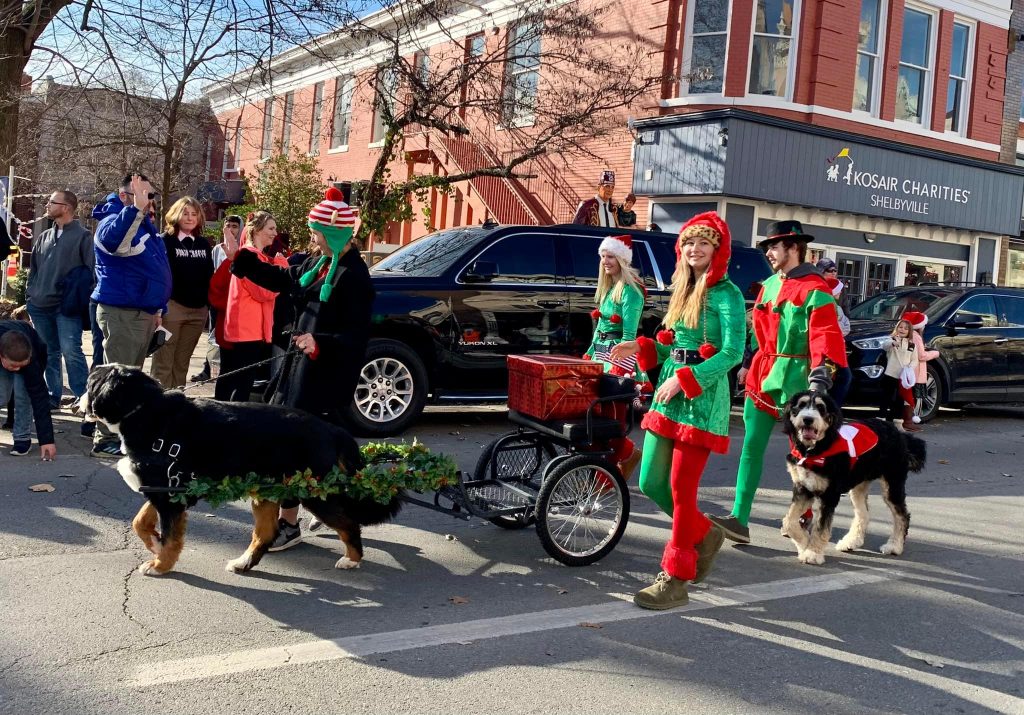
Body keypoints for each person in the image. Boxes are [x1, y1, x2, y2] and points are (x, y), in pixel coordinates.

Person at [611, 212, 745, 610]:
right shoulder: (682, 288)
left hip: (701, 399)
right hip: (669, 390)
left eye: (703, 243)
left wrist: (687, 379)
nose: (694, 249)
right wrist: (643, 348)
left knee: (682, 492)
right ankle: (704, 534)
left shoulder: (728, 294)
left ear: (717, 250)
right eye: (689, 242)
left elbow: (733, 352)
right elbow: (674, 344)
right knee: (652, 483)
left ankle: (675, 579)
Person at [230, 187, 373, 551]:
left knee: (299, 447)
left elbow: (356, 335)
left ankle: (289, 524)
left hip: (326, 372)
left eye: (316, 231)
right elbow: (287, 281)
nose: (311, 236)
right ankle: (337, 506)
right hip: (299, 366)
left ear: (334, 233)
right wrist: (250, 266)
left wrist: (319, 340)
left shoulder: (353, 275)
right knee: (298, 441)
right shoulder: (317, 262)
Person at [708, 220, 847, 544]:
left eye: (773, 247)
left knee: (805, 456)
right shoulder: (769, 285)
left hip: (798, 382)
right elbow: (757, 332)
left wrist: (819, 379)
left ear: (793, 247)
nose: (769, 253)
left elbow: (824, 334)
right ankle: (739, 519)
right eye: (767, 247)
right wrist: (746, 363)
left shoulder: (816, 289)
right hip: (763, 374)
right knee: (750, 449)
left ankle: (806, 518)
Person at [90, 174, 172, 456]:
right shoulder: (112, 222)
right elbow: (115, 243)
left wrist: (159, 309)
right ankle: (105, 439)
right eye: (146, 195)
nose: (151, 202)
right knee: (117, 380)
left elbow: (153, 271)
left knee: (130, 380)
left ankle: (124, 436)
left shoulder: (143, 224)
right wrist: (135, 209)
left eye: (151, 196)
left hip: (142, 313)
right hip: (123, 314)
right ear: (126, 196)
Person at [583, 234, 645, 479]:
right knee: (599, 414)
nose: (605, 261)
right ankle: (620, 458)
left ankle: (614, 466)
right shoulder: (609, 289)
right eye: (602, 257)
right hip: (601, 354)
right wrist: (589, 354)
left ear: (621, 258)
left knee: (614, 417)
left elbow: (629, 336)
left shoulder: (631, 293)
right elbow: (600, 328)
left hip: (619, 357)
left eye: (610, 256)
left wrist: (617, 366)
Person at [25, 190, 93, 410]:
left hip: (66, 308)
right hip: (39, 306)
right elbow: (33, 270)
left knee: (71, 350)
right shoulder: (44, 236)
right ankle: (53, 395)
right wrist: (30, 295)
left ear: (66, 207)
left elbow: (92, 272)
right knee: (48, 351)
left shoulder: (83, 236)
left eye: (51, 202)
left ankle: (83, 397)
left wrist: (81, 300)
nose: (47, 205)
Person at [217, 211, 286, 402]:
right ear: (256, 230)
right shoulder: (249, 256)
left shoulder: (254, 256)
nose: (275, 233)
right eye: (271, 228)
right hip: (246, 330)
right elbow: (264, 292)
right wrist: (281, 268)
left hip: (250, 329)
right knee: (242, 384)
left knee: (241, 382)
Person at [150, 197, 214, 389]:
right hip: (171, 308)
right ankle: (158, 408)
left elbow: (208, 276)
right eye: (185, 213)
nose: (189, 218)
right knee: (163, 364)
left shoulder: (203, 244)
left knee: (182, 364)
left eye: (194, 214)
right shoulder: (164, 241)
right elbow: (158, 276)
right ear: (176, 214)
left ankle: (176, 407)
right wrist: (158, 309)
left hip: (198, 311)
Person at [192, 215, 242, 383]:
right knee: (213, 335)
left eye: (235, 226)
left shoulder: (243, 249)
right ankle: (208, 368)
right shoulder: (217, 249)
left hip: (234, 301)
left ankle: (225, 371)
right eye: (228, 226)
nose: (231, 229)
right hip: (217, 299)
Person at [0, 321, 57, 460]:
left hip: (32, 350)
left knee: (23, 396)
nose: (17, 370)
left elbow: (40, 399)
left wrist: (47, 440)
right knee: (2, 395)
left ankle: (22, 438)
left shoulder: (31, 361)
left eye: (21, 366)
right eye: (14, 366)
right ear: (1, 357)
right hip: (7, 346)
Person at [816, 258, 852, 406]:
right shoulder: (816, 290)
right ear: (821, 272)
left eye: (835, 270)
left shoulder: (839, 289)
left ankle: (831, 409)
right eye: (830, 270)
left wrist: (841, 328)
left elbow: (845, 315)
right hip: (821, 344)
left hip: (836, 342)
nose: (833, 273)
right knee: (821, 378)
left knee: (843, 376)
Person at [878, 318, 919, 432]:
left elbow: (915, 360)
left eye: (906, 328)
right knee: (886, 398)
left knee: (900, 400)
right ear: (896, 328)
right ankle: (881, 419)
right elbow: (885, 346)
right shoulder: (891, 340)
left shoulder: (912, 345)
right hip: (890, 374)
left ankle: (898, 422)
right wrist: (893, 343)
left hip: (902, 377)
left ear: (909, 331)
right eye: (900, 327)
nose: (903, 330)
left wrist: (910, 367)